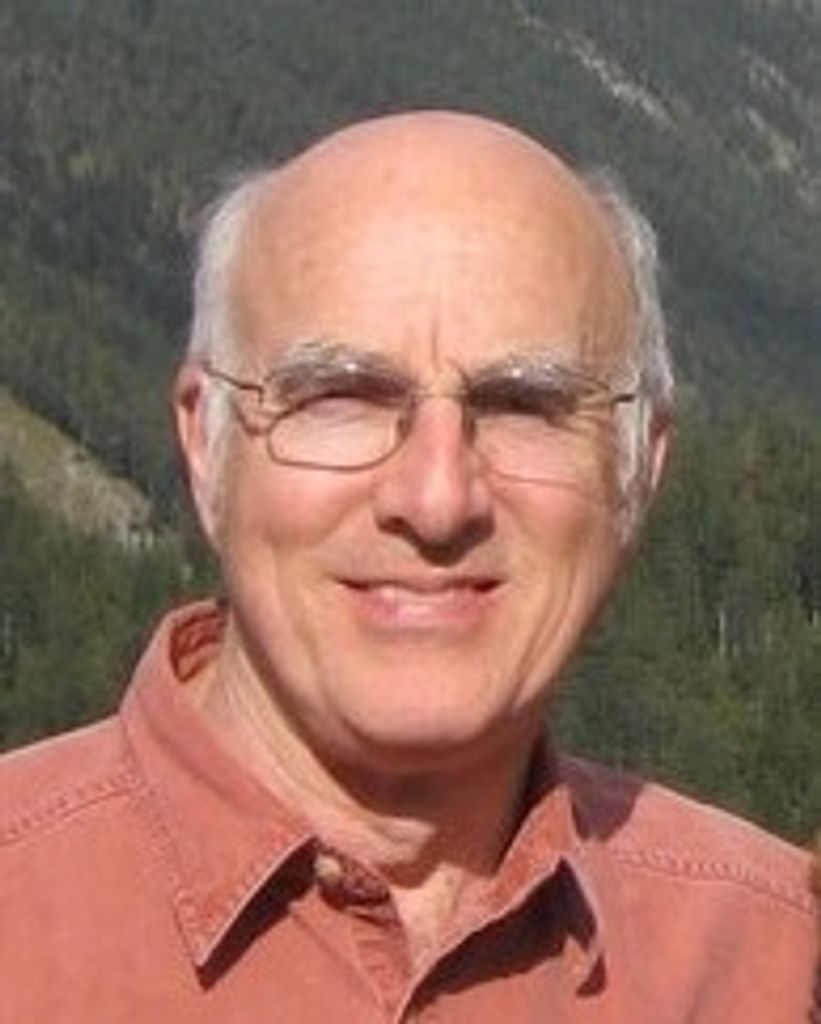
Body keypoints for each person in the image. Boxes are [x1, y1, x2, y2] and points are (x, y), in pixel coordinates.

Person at [0, 111, 816, 1023]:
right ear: (206, 445)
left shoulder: (771, 963)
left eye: (524, 405)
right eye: (341, 396)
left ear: (637, 470)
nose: (435, 500)